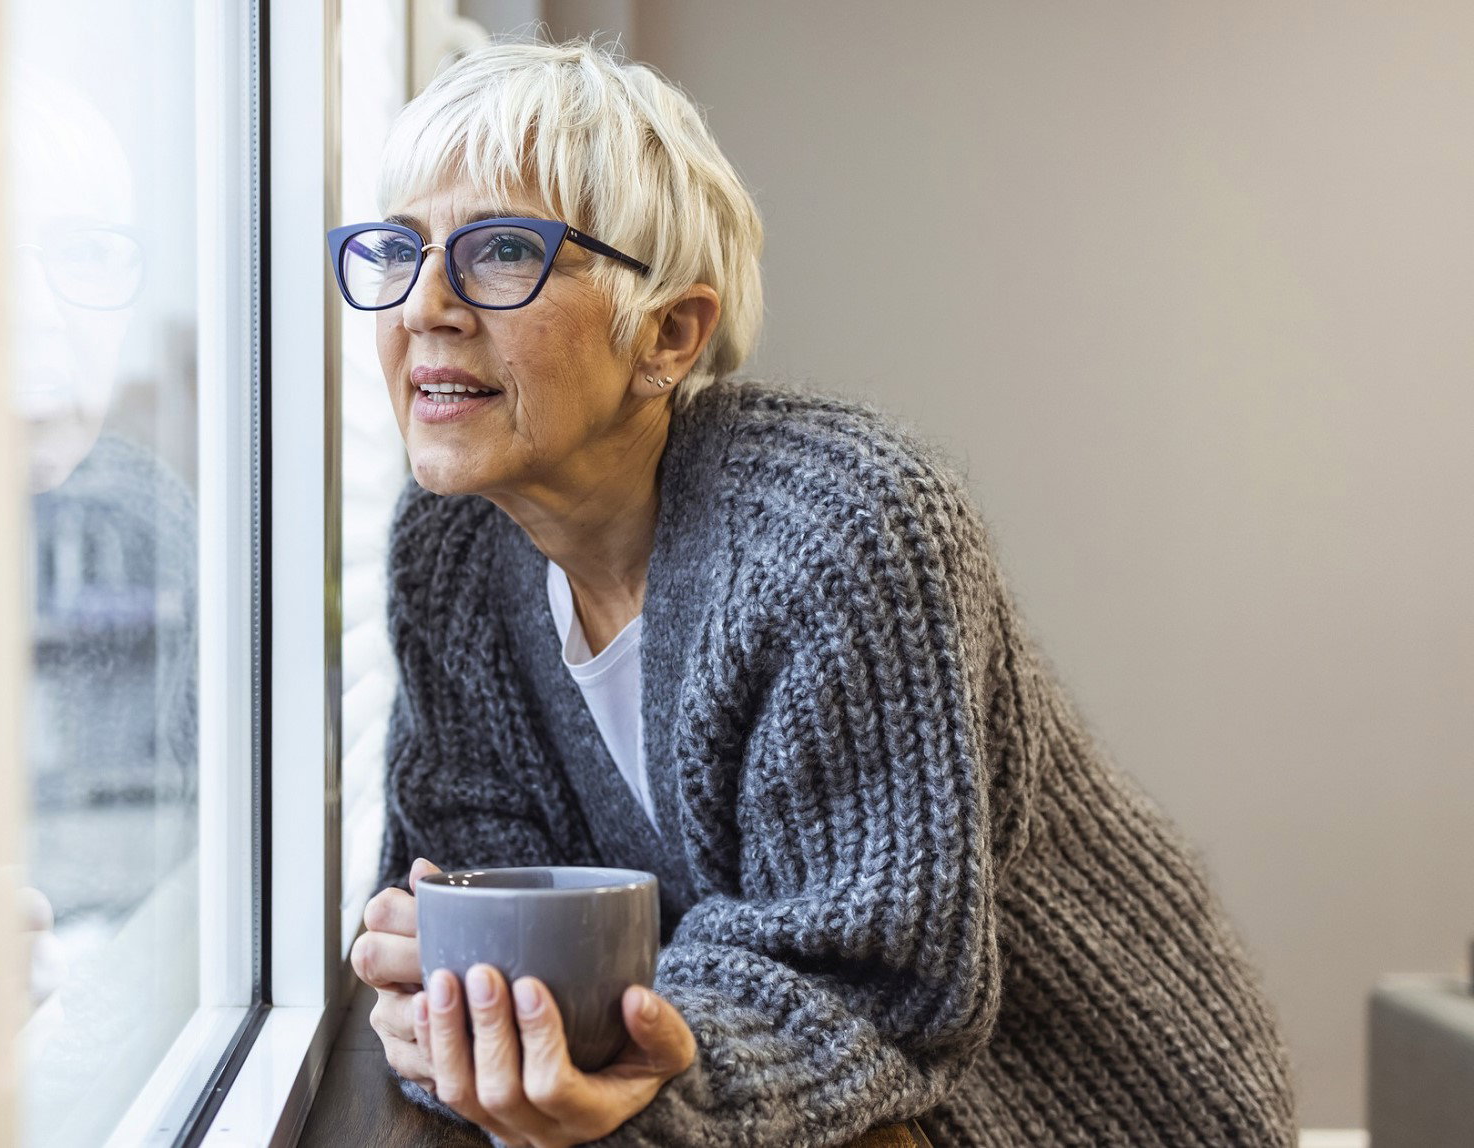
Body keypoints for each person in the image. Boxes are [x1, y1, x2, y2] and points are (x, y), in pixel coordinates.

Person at [335, 37, 1300, 1148]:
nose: (425, 305)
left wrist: (622, 1059)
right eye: (395, 251)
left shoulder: (844, 531)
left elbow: (861, 973)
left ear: (669, 334)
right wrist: (443, 1008)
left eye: (503, 251)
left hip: (1062, 1104)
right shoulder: (450, 545)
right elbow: (469, 877)